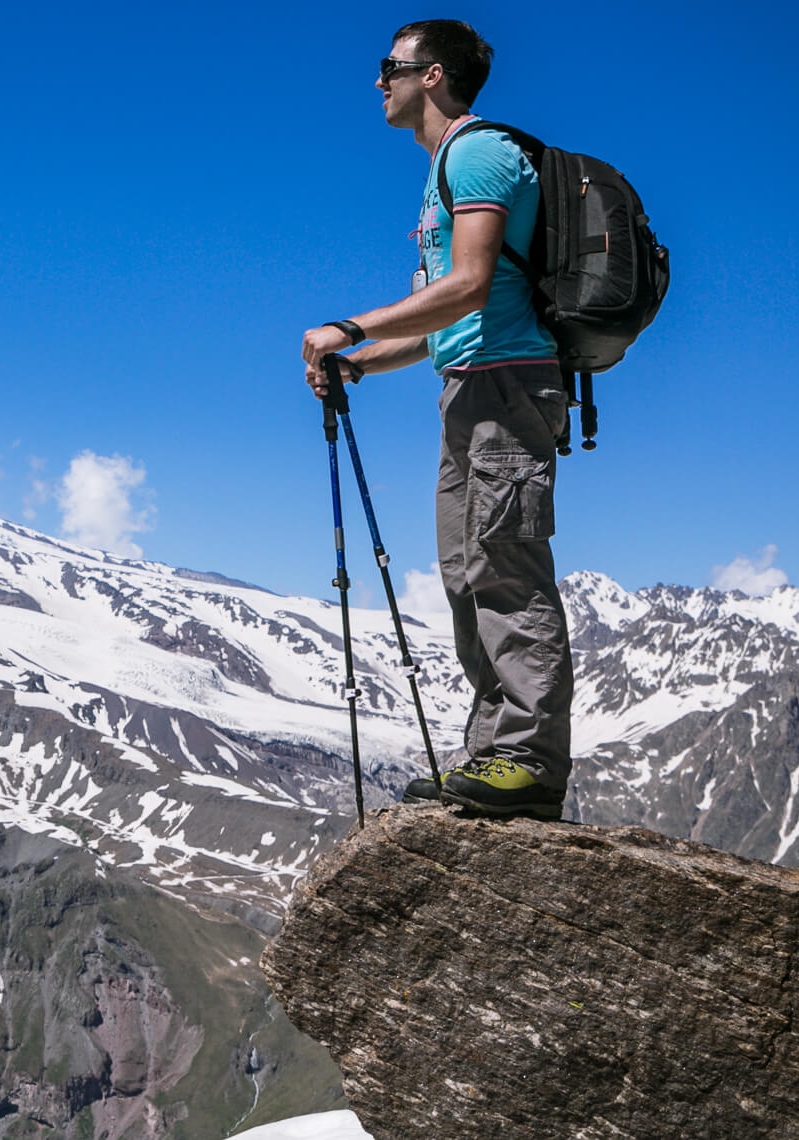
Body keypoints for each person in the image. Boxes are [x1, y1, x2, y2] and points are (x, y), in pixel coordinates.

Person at [298, 19, 571, 820]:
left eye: (391, 67)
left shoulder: (478, 153)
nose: (378, 81)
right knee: (467, 575)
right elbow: (438, 325)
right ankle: (493, 754)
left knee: (505, 566)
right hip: (471, 384)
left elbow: (471, 284)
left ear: (434, 75)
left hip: (506, 388)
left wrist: (350, 327)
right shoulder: (443, 170)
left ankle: (528, 759)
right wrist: (360, 361)